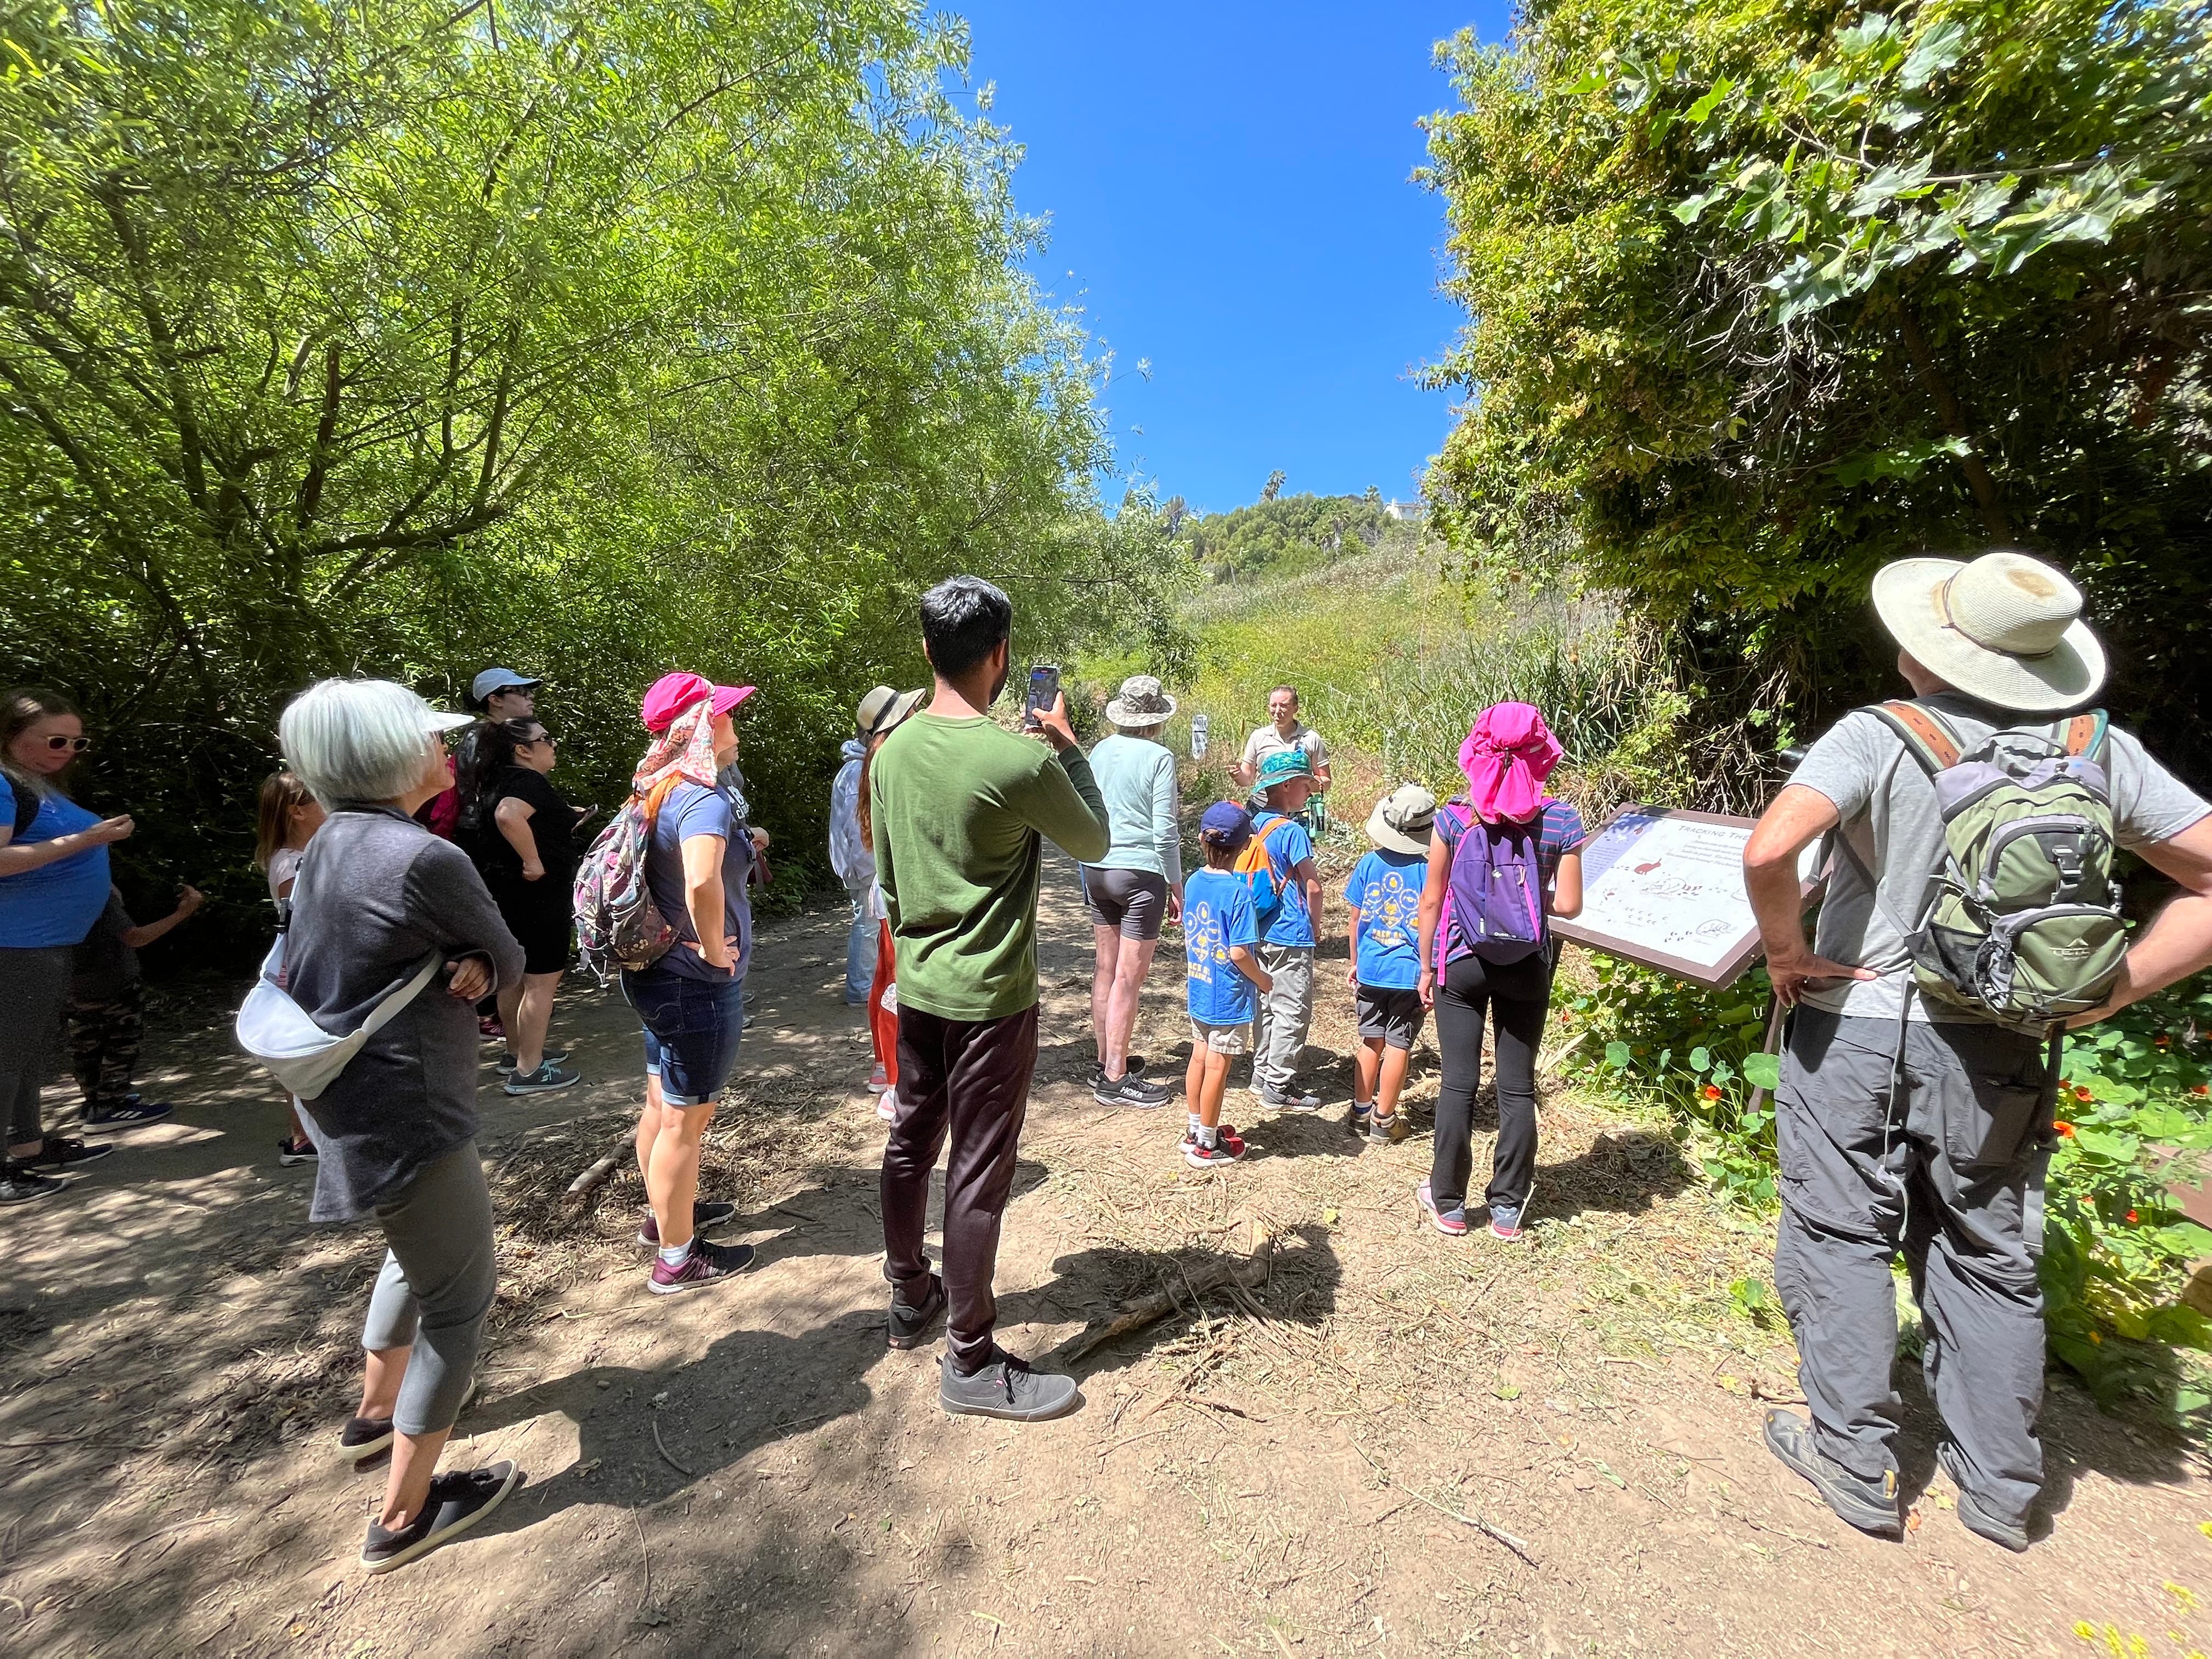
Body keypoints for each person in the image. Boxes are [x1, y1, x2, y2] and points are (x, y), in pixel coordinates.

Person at [1741, 550, 2212, 1552]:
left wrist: (1789, 953)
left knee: (1839, 1234)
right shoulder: (2095, 748)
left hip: (1859, 1026)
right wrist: (2104, 991)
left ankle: (1854, 1456)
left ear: (1929, 649)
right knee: (1989, 1250)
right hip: (2000, 1042)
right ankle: (1999, 1485)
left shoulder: (1878, 733)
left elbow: (1767, 847)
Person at [275, 676, 527, 1573]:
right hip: (411, 1110)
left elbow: (366, 950)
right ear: (387, 756)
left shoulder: (332, 841)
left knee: (413, 1257)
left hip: (351, 1103)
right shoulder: (425, 857)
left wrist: (449, 954)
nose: (446, 750)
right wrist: (472, 956)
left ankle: (373, 1417)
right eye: (430, 738)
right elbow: (509, 954)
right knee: (460, 1302)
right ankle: (403, 1513)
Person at [872, 575, 1108, 1420]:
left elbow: (890, 882)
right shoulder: (1020, 759)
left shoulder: (890, 752)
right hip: (992, 997)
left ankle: (910, 1293)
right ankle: (969, 1360)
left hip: (921, 985)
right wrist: (1068, 744)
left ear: (928, 651)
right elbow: (1096, 837)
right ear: (1001, 656)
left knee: (911, 1140)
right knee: (976, 1171)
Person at [1414, 703, 1584, 1242]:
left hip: (1460, 964)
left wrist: (1425, 966)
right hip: (1527, 968)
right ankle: (1507, 1206)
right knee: (1516, 1087)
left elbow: (1431, 902)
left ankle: (1448, 1202)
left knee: (1458, 1083)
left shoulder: (1453, 816)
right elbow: (1573, 904)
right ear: (1541, 753)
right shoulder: (1562, 819)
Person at [625, 673, 763, 1293]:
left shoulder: (657, 787)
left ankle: (665, 1219)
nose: (736, 722)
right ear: (703, 728)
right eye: (726, 714)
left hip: (656, 977)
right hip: (694, 985)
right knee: (687, 1119)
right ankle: (677, 1259)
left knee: (660, 1104)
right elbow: (702, 883)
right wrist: (714, 951)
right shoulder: (702, 797)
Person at [1, 687, 133, 1204]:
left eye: (77, 743)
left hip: (47, 942)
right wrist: (88, 842)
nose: (68, 751)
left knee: (28, 1050)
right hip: (15, 943)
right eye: (57, 739)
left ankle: (28, 1146)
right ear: (14, 738)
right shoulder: (4, 783)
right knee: (7, 1054)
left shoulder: (37, 785)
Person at [460, 716, 585, 1094]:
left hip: (508, 895)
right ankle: (530, 1070)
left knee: (514, 976)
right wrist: (533, 862)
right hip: (540, 897)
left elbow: (512, 816)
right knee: (542, 982)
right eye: (545, 738)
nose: (553, 744)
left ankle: (516, 1053)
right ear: (522, 750)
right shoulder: (528, 781)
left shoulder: (497, 782)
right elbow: (509, 816)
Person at [1084, 674, 1184, 1108]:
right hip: (1140, 873)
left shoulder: (1099, 750)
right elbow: (1165, 830)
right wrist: (1176, 882)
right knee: (1129, 976)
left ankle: (1107, 1057)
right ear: (1157, 718)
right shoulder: (1159, 757)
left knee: (1106, 969)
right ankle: (1115, 1077)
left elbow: (1084, 808)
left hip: (1097, 866)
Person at [67, 881, 205, 1126]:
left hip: (74, 983)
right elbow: (135, 937)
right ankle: (111, 1107)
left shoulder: (53, 889)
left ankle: (95, 1101)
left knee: (87, 1044)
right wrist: (183, 913)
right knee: (121, 1043)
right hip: (113, 982)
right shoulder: (94, 890)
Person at [1345, 785, 1436, 1144]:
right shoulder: (1429, 871)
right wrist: (1430, 970)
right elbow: (1434, 923)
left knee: (1371, 1040)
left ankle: (1360, 1111)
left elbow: (1355, 919)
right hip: (1408, 973)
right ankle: (1384, 1120)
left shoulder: (1369, 863)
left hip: (1371, 968)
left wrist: (1355, 961)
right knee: (1399, 1044)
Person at [1182, 803, 1271, 1167]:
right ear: (1244, 847)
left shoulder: (1193, 881)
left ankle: (1193, 1129)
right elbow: (1238, 952)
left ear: (1203, 841)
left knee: (1199, 1056)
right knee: (1218, 1065)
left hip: (1200, 987)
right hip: (1228, 997)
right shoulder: (1239, 893)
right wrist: (1263, 980)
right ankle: (1207, 1142)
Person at [854, 691, 925, 1121]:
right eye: (912, 713)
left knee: (887, 980)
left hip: (889, 890)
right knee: (898, 987)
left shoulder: (874, 763)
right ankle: (897, 1085)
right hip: (900, 891)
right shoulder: (895, 765)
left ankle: (886, 1070)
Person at [1246, 748, 1327, 1111]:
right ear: (1289, 786)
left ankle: (1261, 1074)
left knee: (1266, 1004)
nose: (1310, 791)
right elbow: (1313, 885)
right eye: (1307, 785)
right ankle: (1278, 1086)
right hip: (1290, 931)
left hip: (1259, 928)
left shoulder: (1256, 824)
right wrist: (1315, 925)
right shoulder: (1292, 831)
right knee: (1293, 1008)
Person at [832, 686, 922, 1010]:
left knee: (871, 927)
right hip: (868, 870)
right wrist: (873, 873)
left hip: (867, 868)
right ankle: (860, 989)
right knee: (868, 926)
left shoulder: (864, 766)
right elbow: (860, 834)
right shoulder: (859, 771)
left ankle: (867, 989)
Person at [253, 769, 326, 1164]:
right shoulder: (291, 864)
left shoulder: (311, 854)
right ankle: (302, 1139)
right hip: (302, 967)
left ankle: (309, 1135)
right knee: (305, 1052)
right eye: (322, 798)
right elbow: (301, 922)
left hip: (312, 964)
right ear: (297, 812)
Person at [1232, 685, 1331, 795]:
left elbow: (1326, 782)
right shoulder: (1259, 737)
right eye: (1273, 706)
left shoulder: (1311, 738)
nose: (1278, 711)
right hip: (1265, 806)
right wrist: (1237, 774)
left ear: (1295, 708)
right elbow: (1247, 779)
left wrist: (1306, 783)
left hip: (1300, 807)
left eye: (1284, 706)